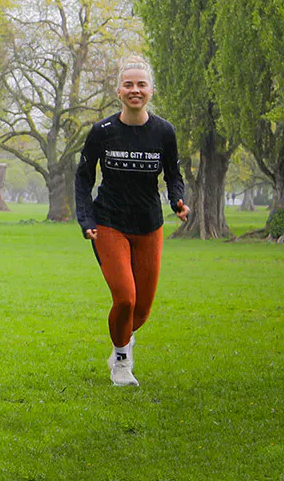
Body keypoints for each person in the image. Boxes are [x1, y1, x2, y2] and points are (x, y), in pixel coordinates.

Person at [74, 56, 187, 387]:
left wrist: (176, 200)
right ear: (118, 91)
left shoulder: (164, 131)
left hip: (149, 225)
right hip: (109, 222)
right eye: (128, 84)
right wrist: (86, 218)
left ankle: (121, 340)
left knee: (141, 310)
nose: (135, 90)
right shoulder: (102, 132)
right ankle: (122, 362)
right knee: (125, 297)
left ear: (151, 90)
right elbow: (83, 179)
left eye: (141, 84)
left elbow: (173, 175)